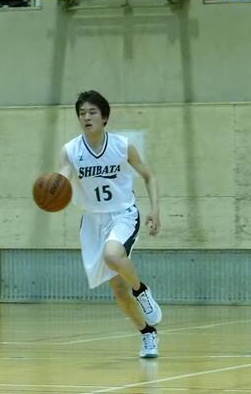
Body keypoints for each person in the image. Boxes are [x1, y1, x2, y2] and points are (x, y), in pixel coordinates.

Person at [59, 90, 162, 358]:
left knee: (112, 255)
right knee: (117, 290)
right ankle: (147, 333)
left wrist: (155, 210)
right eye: (82, 113)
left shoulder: (122, 145)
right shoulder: (71, 150)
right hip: (92, 221)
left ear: (104, 117)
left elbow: (149, 176)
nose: (86, 117)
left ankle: (141, 291)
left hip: (122, 214)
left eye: (92, 112)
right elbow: (63, 177)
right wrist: (54, 186)